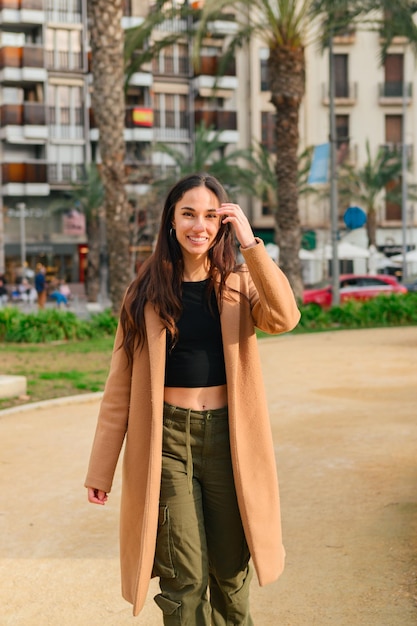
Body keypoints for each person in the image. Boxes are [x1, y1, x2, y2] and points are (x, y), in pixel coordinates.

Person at [84, 173, 300, 624]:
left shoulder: (239, 283)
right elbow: (119, 388)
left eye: (209, 215)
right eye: (188, 214)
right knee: (183, 576)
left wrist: (251, 243)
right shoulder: (143, 294)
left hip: (229, 440)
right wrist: (101, 468)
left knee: (230, 572)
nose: (198, 225)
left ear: (222, 222)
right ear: (171, 221)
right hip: (166, 442)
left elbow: (284, 316)